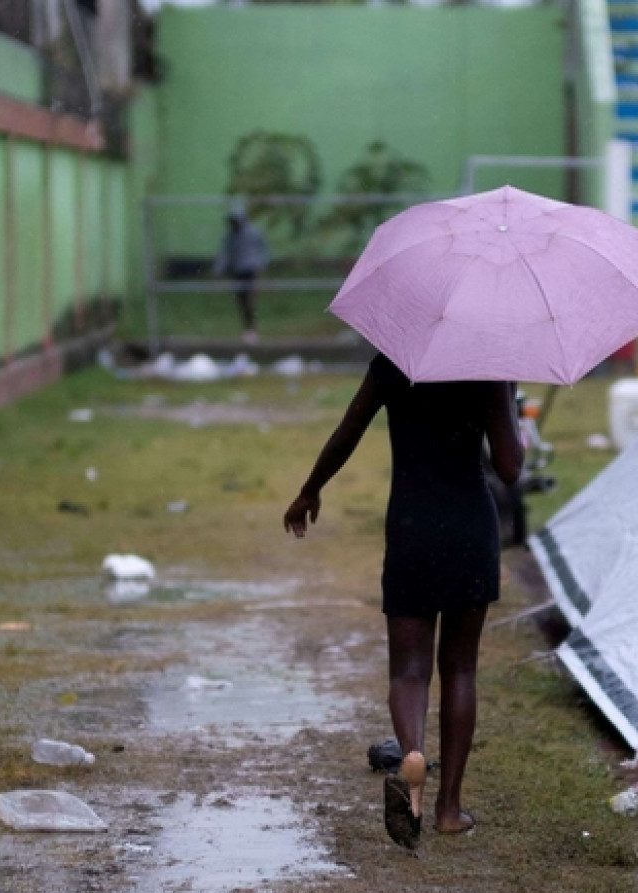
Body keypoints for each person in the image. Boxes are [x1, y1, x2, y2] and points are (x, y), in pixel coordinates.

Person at [284, 355, 522, 847]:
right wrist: (507, 395)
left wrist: (310, 490)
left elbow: (348, 430)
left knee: (408, 671)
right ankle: (449, 808)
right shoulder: (490, 365)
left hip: (411, 527)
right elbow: (510, 467)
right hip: (469, 530)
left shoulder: (396, 358)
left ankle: (411, 754)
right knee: (460, 669)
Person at [213, 203, 270, 344]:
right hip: (238, 271)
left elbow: (263, 249)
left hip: (251, 270)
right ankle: (248, 328)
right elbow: (225, 255)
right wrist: (218, 271)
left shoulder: (253, 233)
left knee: (249, 298)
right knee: (242, 300)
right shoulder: (230, 237)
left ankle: (251, 328)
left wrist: (262, 264)